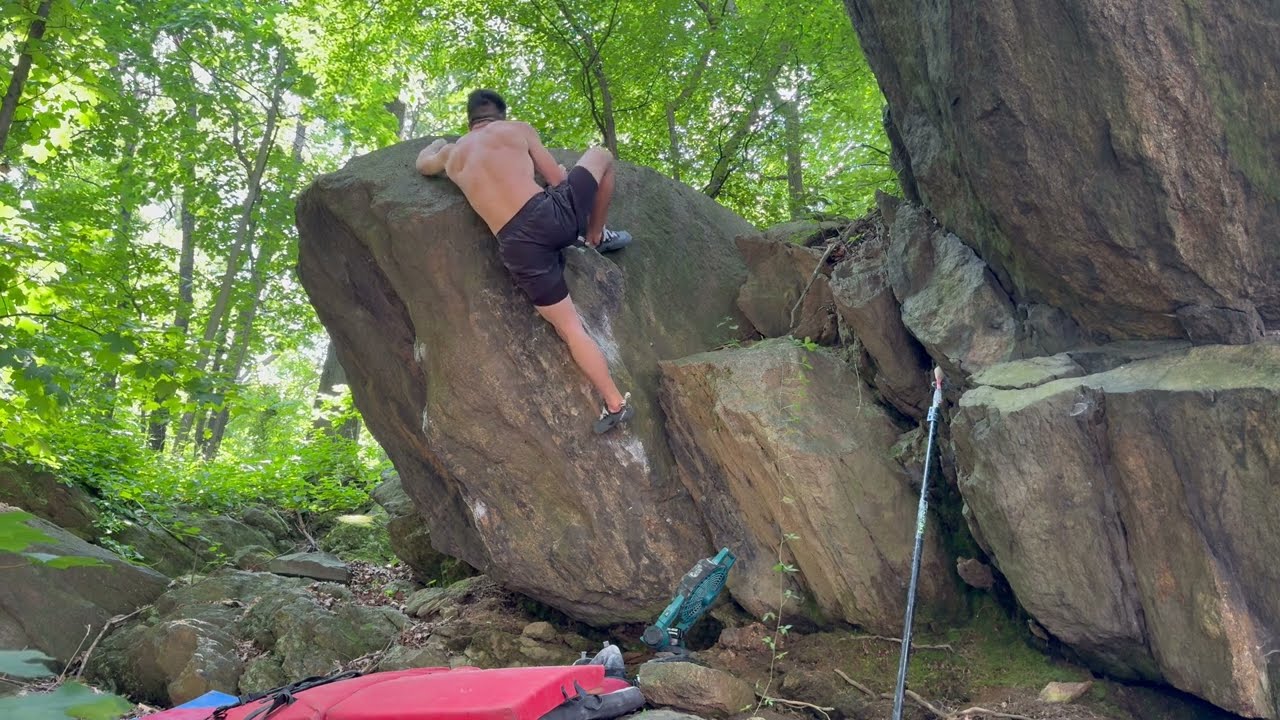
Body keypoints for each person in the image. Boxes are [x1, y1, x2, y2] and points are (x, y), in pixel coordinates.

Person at [416, 89, 635, 434]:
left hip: (516, 246)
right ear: (499, 115)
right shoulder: (516, 129)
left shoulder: (451, 154)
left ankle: (614, 404)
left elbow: (422, 165)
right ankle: (596, 237)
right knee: (601, 154)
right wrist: (559, 174)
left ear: (470, 120)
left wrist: (438, 144)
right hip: (551, 215)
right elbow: (557, 179)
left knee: (570, 328)